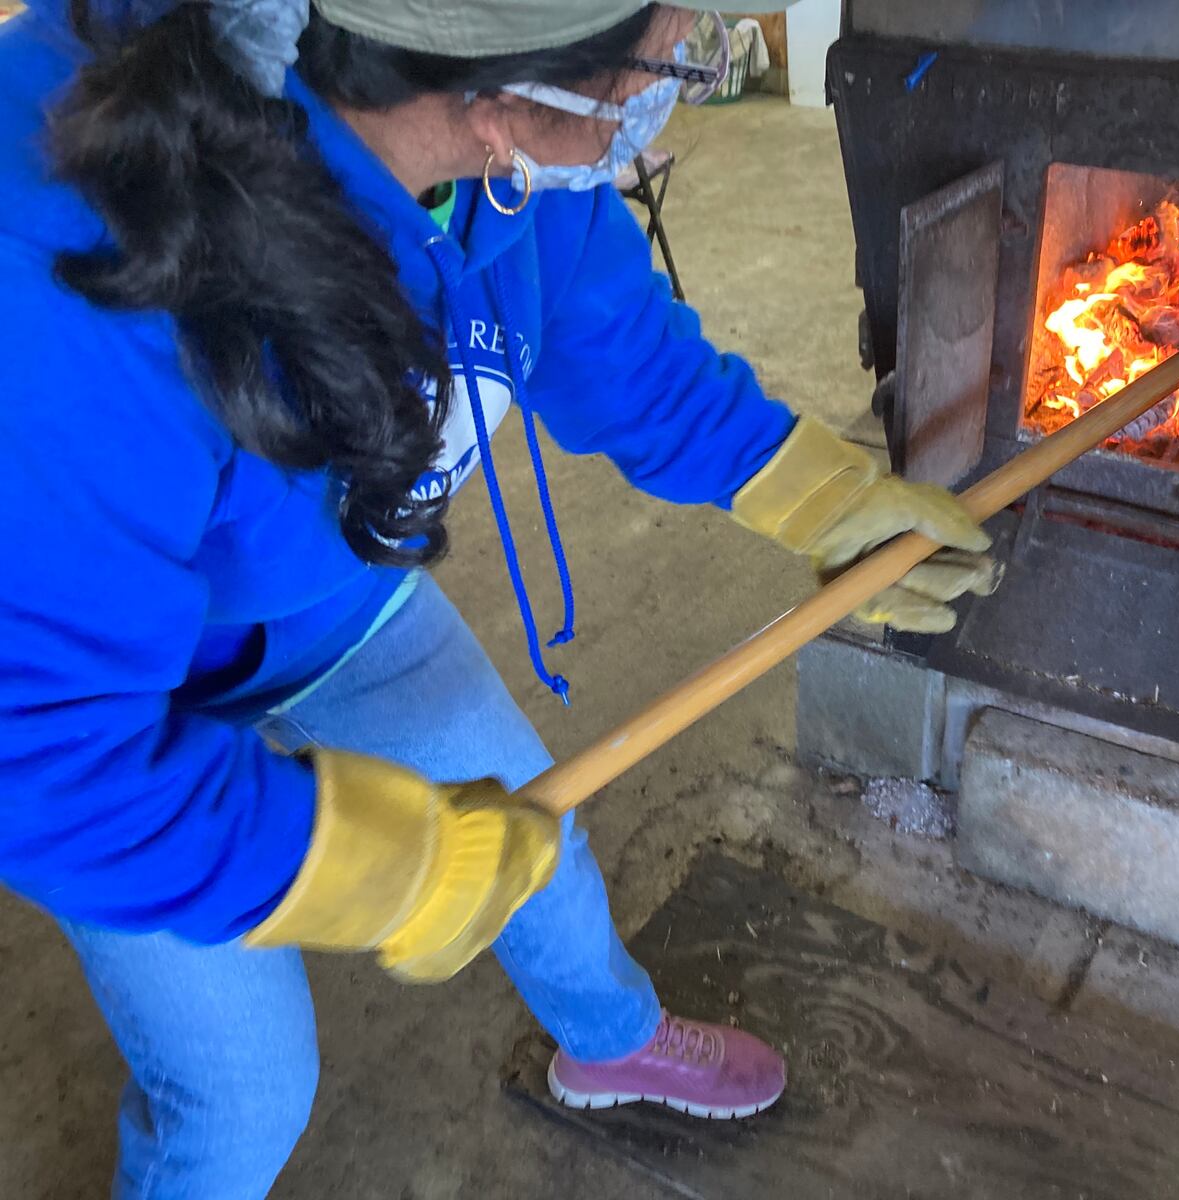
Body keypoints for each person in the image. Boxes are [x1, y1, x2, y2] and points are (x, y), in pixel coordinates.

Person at [0, 0, 1000, 1195]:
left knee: (532, 837)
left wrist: (812, 491)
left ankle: (612, 1044)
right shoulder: (55, 268)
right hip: (117, 710)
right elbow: (46, 759)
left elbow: (617, 345)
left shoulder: (509, 152)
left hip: (337, 605)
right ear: (498, 92)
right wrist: (366, 865)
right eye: (659, 54)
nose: (680, 73)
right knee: (244, 1097)